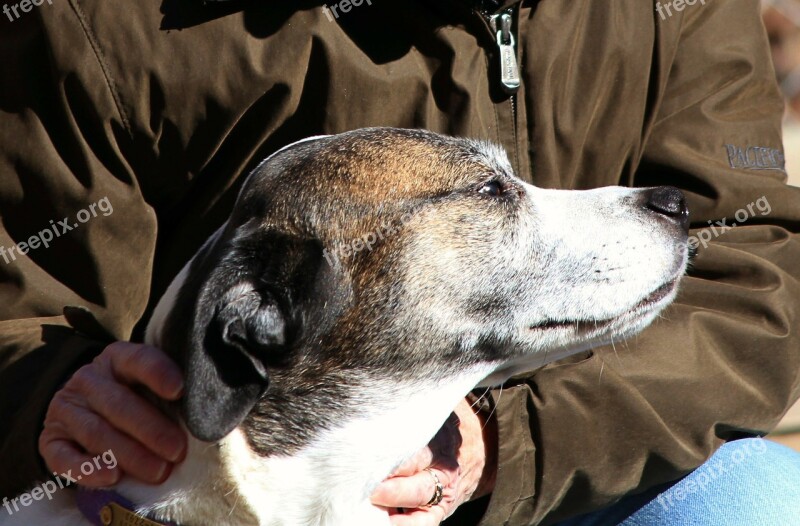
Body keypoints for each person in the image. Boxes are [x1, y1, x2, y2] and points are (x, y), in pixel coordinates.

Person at [1, 0, 800, 524]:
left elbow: (753, 275)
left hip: (570, 471)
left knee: (758, 504)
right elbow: (20, 309)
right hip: (206, 488)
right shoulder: (103, 20)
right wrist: (50, 395)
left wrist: (509, 442)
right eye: (492, 195)